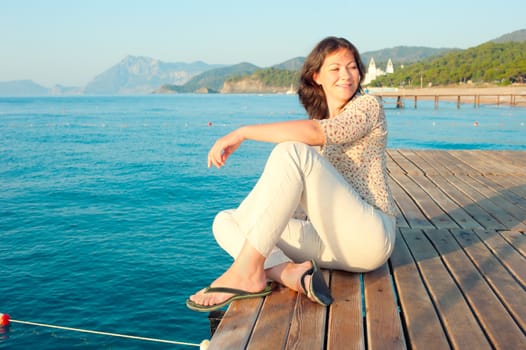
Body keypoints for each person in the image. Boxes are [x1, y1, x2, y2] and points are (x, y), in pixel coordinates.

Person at [186, 36, 397, 312]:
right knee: (226, 221)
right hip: (330, 241)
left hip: (369, 237)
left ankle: (248, 272)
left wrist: (242, 132)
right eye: (335, 68)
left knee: (291, 151)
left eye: (352, 67)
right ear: (316, 76)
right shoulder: (320, 120)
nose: (346, 75)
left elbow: (314, 134)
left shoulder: (367, 106)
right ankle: (288, 273)